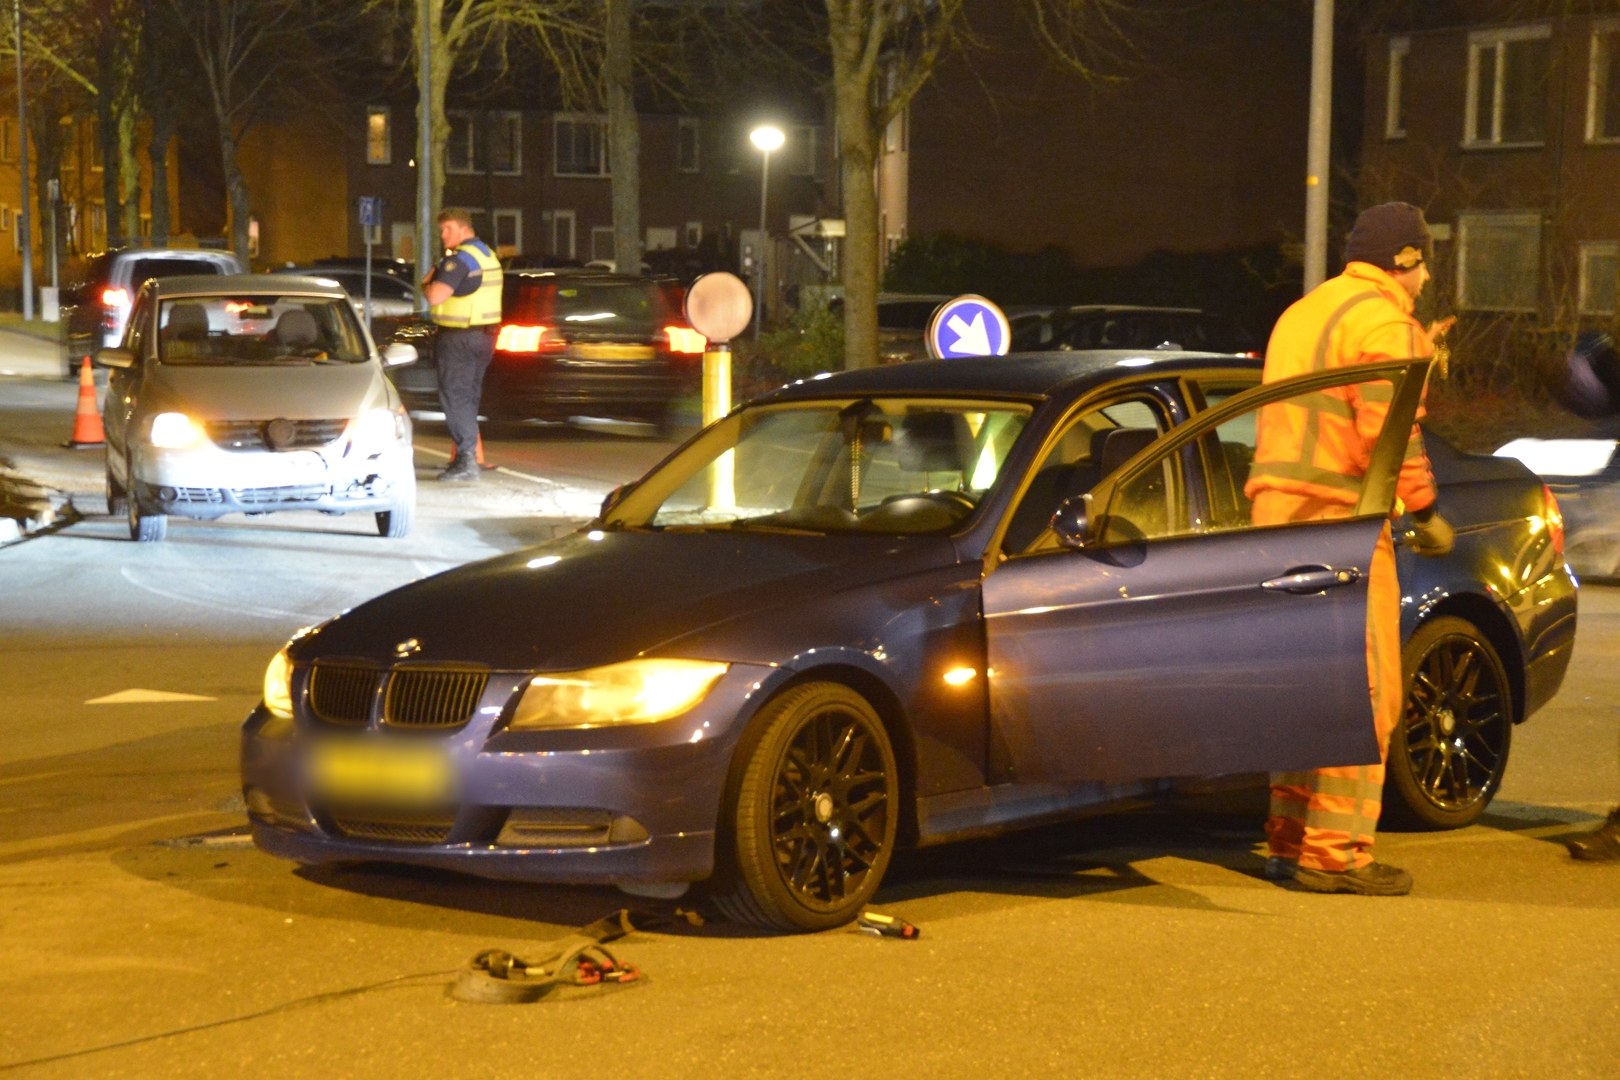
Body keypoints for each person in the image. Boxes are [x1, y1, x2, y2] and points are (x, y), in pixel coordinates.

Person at [1248, 202, 1457, 896]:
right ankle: (1335, 852)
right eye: (1424, 261)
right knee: (1366, 689)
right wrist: (1426, 512)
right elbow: (1390, 433)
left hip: (1276, 518)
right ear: (1403, 259)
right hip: (1341, 519)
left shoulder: (1303, 314)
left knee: (1300, 686)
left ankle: (1287, 839)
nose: (1426, 276)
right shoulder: (1384, 322)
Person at [422, 208, 503, 482]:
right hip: (485, 336)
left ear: (463, 229)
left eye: (447, 229)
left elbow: (434, 296)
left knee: (454, 396)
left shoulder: (460, 260)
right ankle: (466, 457)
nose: (443, 235)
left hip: (459, 337)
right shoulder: (488, 255)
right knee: (468, 396)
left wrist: (426, 282)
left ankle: (466, 460)